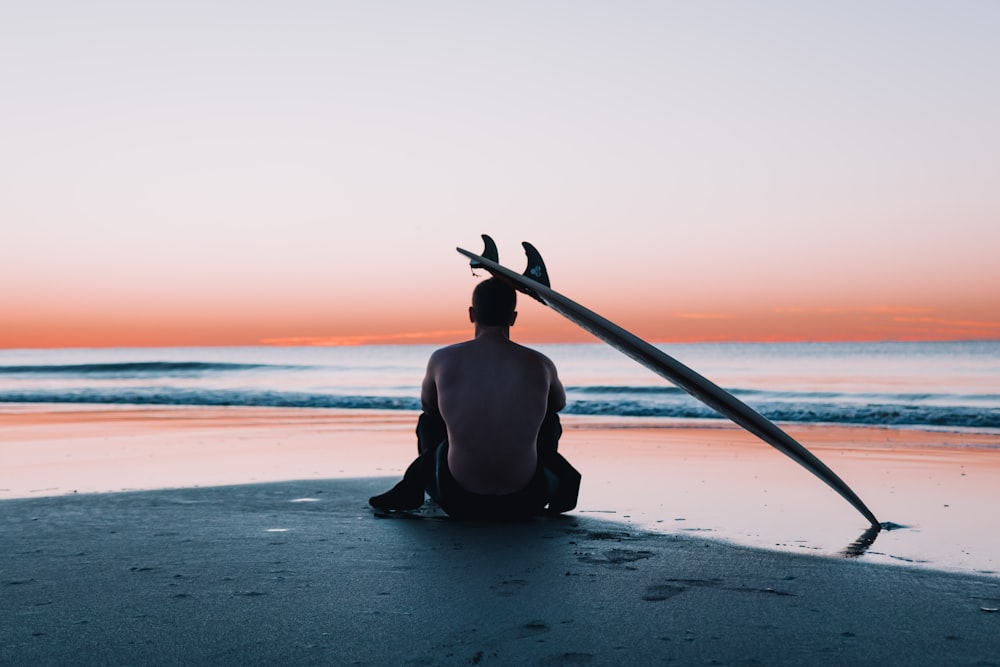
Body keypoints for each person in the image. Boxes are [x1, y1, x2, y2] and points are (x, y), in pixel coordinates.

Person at [369, 278, 580, 519]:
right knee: (549, 419)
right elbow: (558, 404)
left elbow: (429, 408)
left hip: (457, 499)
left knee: (429, 421)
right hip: (526, 500)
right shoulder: (540, 363)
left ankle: (413, 488)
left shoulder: (441, 359)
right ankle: (554, 482)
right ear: (513, 318)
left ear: (472, 314)